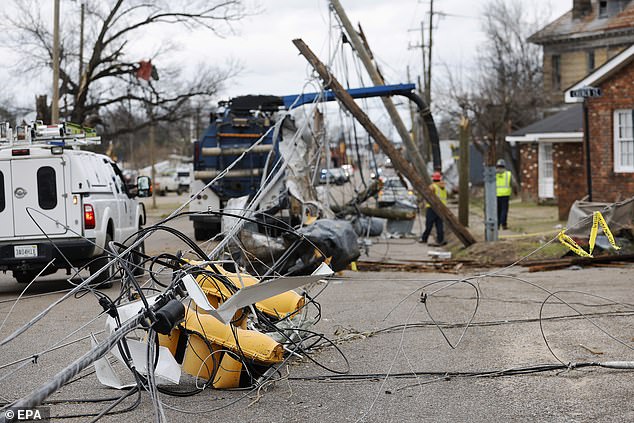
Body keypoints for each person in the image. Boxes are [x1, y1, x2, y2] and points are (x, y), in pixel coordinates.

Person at [420, 171, 447, 245]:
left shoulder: (432, 187)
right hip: (441, 208)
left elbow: (428, 196)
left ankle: (424, 238)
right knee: (439, 225)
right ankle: (440, 240)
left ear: (433, 178)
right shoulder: (443, 187)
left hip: (432, 208)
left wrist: (422, 202)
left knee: (429, 224)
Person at [496, 158, 512, 230]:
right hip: (505, 195)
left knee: (497, 211)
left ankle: (497, 225)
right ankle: (504, 224)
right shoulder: (508, 174)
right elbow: (513, 183)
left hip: (496, 195)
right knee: (504, 210)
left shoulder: (493, 174)